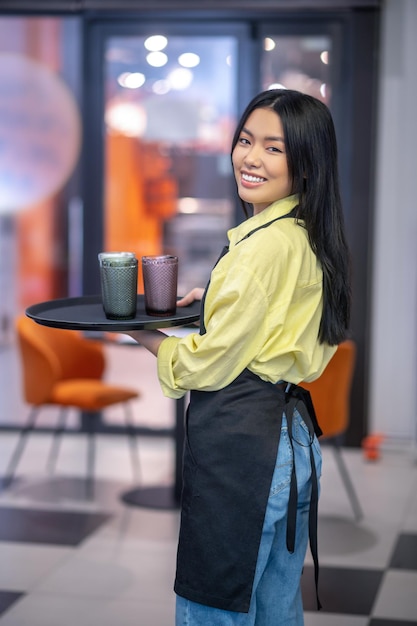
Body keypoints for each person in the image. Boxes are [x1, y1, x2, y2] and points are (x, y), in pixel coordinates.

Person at [126, 88, 351, 625]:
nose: (251, 158)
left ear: (305, 162)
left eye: (274, 148)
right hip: (293, 444)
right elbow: (280, 315)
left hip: (244, 450)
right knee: (276, 607)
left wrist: (143, 332)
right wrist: (217, 301)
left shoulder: (260, 249)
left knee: (213, 608)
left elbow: (205, 365)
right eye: (246, 140)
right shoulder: (305, 232)